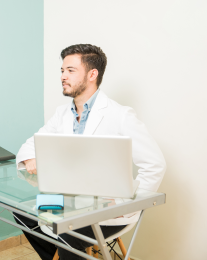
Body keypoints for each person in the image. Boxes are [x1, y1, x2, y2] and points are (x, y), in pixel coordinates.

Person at [15, 44, 166, 260]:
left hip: (106, 211)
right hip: (68, 203)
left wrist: (125, 204)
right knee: (22, 212)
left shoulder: (120, 115)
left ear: (92, 74)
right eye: (62, 70)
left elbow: (155, 164)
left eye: (70, 70)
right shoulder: (62, 114)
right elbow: (31, 144)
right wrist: (31, 158)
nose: (63, 76)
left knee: (66, 230)